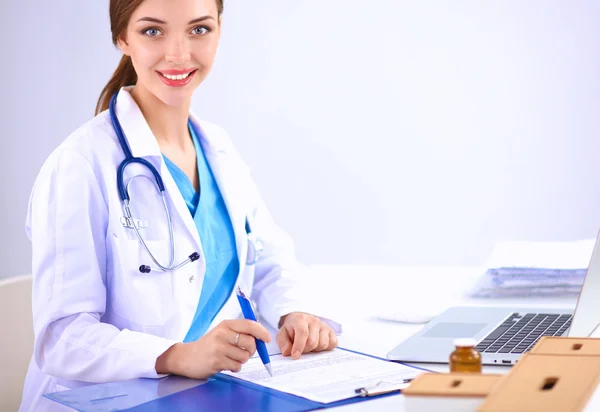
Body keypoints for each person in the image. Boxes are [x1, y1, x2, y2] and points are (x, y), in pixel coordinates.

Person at [20, 0, 340, 410]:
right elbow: (62, 337)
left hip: (194, 397)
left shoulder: (217, 149)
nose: (178, 54)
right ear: (122, 38)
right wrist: (175, 355)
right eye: (153, 31)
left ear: (219, 31)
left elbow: (270, 259)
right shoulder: (79, 165)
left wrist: (295, 313)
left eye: (198, 29)